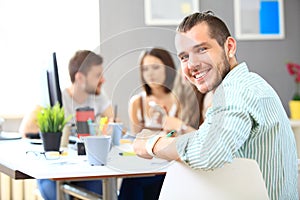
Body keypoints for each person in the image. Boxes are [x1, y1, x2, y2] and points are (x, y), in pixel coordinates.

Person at [133, 11, 298, 200]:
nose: (192, 64)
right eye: (184, 57)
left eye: (202, 49)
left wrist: (151, 145)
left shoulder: (237, 90)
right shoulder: (244, 85)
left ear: (229, 47)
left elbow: (208, 151)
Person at [37, 50, 114, 200]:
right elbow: (26, 128)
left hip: (85, 170)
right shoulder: (59, 98)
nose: (103, 80)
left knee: (100, 189)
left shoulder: (98, 96)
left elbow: (115, 122)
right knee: (56, 192)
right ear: (80, 77)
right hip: (57, 170)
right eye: (98, 75)